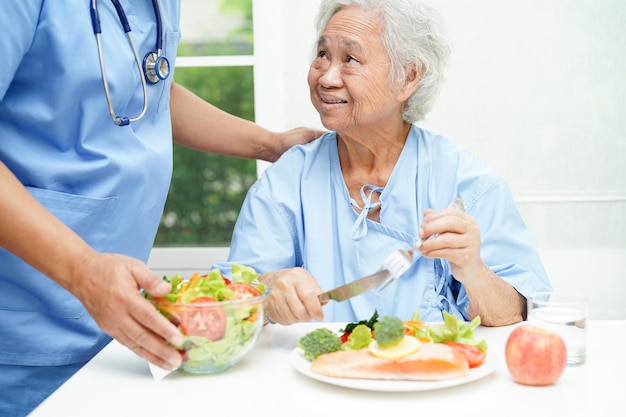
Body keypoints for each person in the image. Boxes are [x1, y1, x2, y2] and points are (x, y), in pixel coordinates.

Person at [0, 2, 321, 416]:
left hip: (113, 326)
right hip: (24, 325)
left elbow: (145, 86)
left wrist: (270, 144)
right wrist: (82, 271)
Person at [220, 0, 551, 328]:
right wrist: (266, 289)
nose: (327, 78)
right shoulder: (285, 183)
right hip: (320, 374)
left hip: (435, 375)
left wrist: (474, 271)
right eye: (323, 55)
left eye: (350, 59)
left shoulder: (467, 182)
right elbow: (223, 308)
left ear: (407, 77)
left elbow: (519, 314)